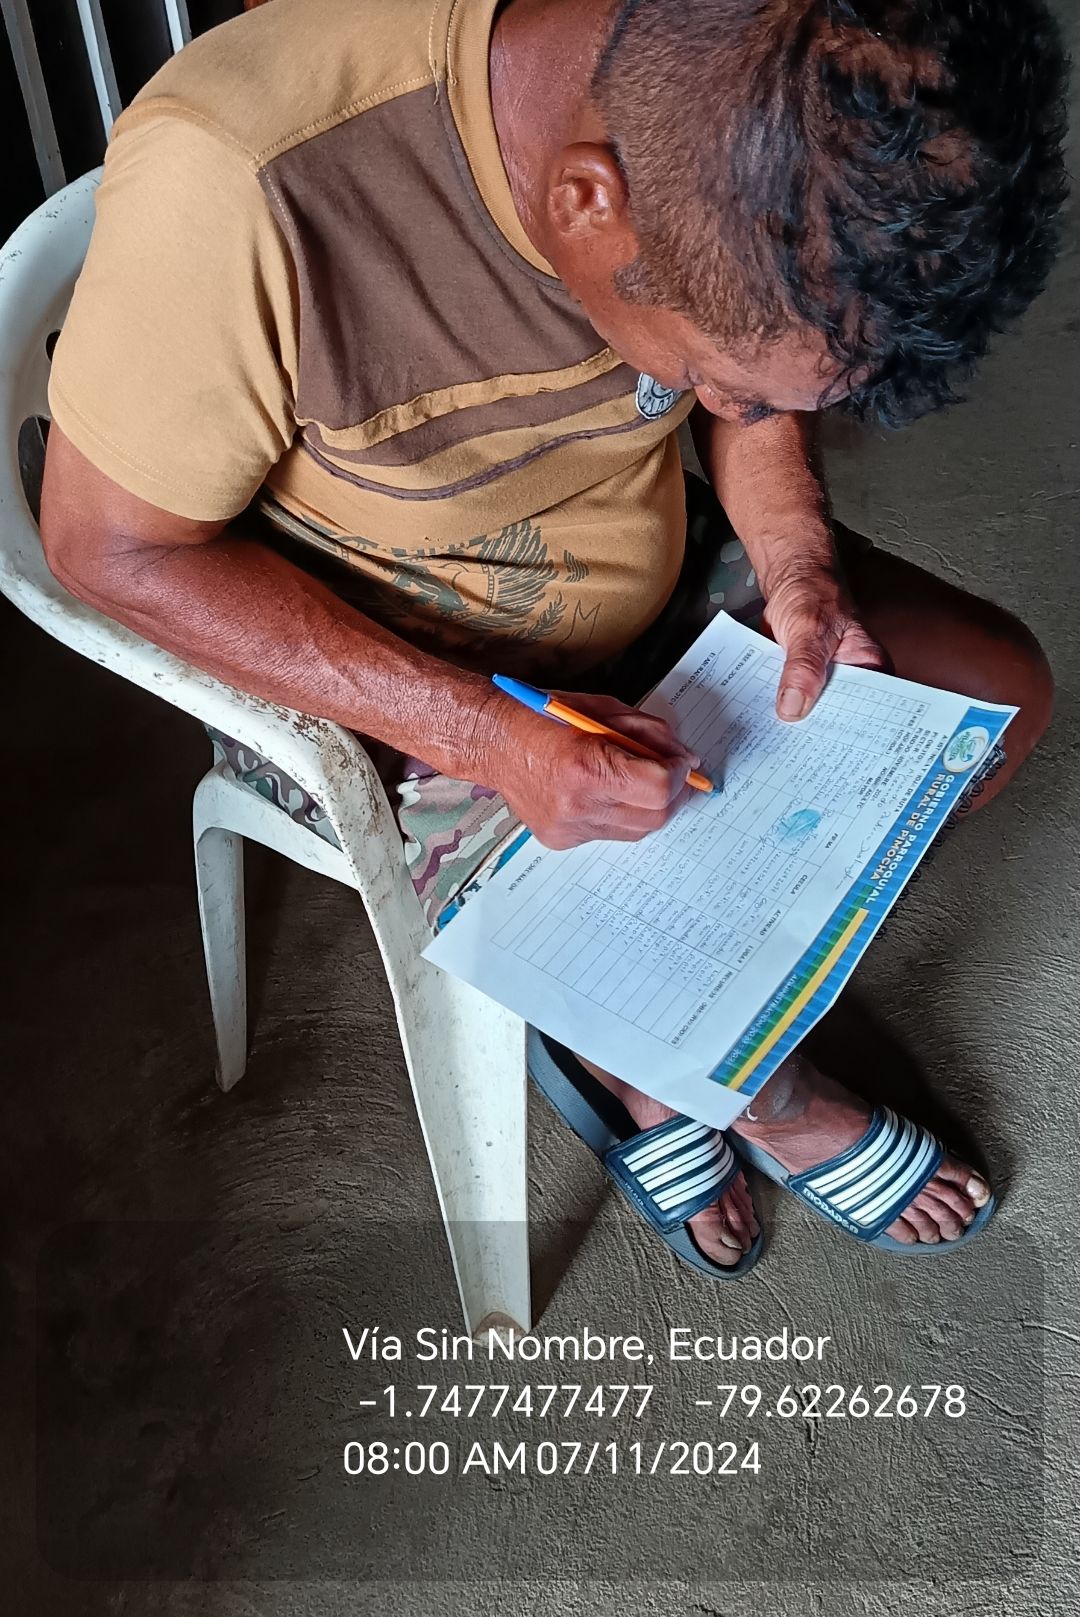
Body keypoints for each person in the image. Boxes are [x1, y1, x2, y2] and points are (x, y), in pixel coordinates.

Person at [39, 0, 1067, 1275]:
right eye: (720, 376)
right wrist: (490, 738)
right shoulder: (239, 186)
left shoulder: (711, 105)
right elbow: (108, 551)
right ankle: (741, 1085)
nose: (728, 403)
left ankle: (685, 1025)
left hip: (652, 563)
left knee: (988, 702)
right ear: (588, 204)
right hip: (392, 669)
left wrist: (798, 564)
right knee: (659, 898)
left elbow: (755, 382)